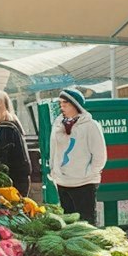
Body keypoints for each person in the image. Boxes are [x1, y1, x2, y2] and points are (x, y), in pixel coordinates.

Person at [48, 87, 106, 225]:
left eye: (65, 103)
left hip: (84, 183)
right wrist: (54, 170)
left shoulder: (90, 126)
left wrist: (89, 173)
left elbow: (100, 155)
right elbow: (53, 150)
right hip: (62, 182)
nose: (61, 106)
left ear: (76, 105)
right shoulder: (57, 124)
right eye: (60, 103)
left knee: (85, 225)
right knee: (68, 226)